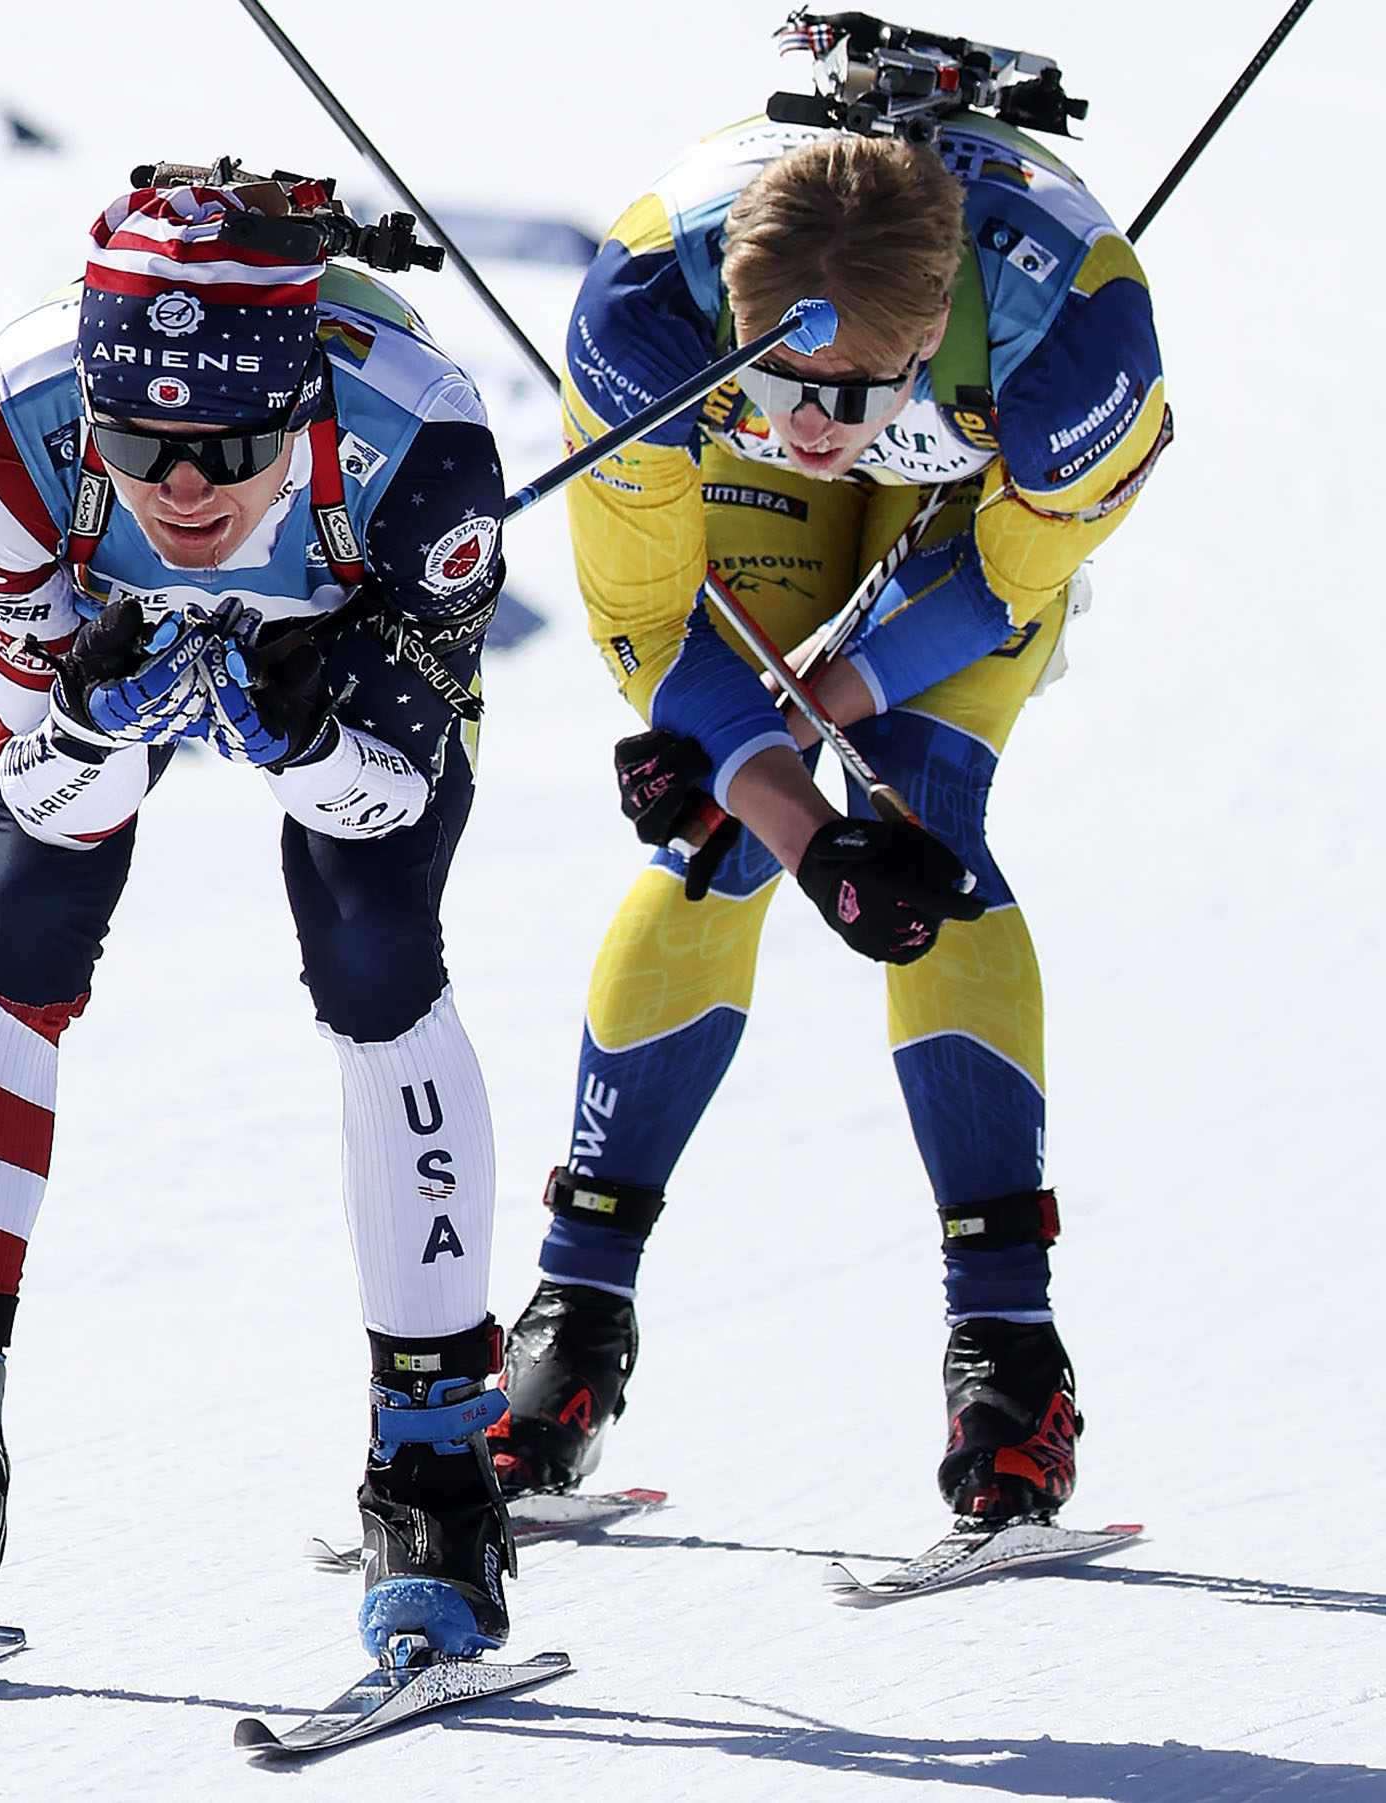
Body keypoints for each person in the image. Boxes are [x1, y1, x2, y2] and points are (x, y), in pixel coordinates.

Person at [0, 174, 523, 1662]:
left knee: (374, 947)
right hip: (95, 636)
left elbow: (386, 801)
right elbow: (47, 803)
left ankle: (437, 1466)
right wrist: (87, 720)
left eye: (228, 450)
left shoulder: (428, 445)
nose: (183, 490)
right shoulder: (9, 435)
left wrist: (308, 742)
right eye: (139, 443)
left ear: (304, 409)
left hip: (349, 613)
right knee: (21, 920)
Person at [487, 112, 1171, 1525]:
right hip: (774, 500)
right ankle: (572, 1328)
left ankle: (1008, 1360)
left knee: (926, 828)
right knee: (719, 847)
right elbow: (641, 616)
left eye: (846, 391)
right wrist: (776, 801)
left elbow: (1000, 589)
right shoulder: (649, 314)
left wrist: (797, 730)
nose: (808, 422)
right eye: (774, 374)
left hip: (979, 492)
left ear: (930, 319)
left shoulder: (1078, 349)